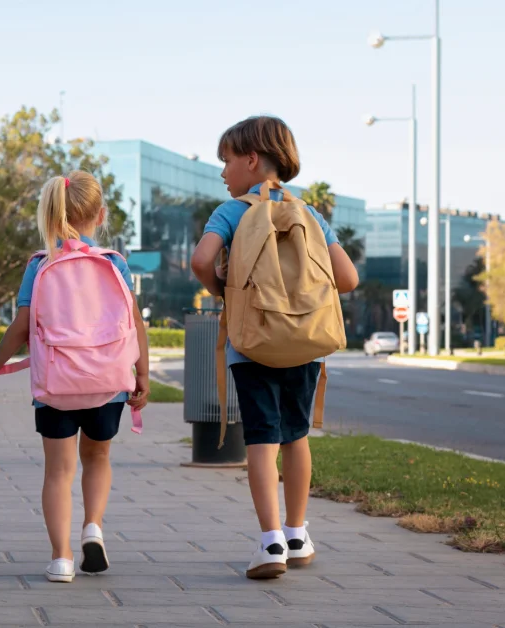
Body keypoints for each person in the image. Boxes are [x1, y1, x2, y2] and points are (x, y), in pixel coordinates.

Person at [190, 117, 359, 579]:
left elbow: (202, 260)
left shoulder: (231, 212)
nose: (222, 172)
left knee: (261, 441)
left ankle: (270, 545)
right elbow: (348, 278)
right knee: (296, 436)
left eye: (225, 161)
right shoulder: (311, 214)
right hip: (306, 344)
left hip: (253, 344)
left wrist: (224, 289)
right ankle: (299, 534)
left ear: (251, 159)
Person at [0, 171, 150, 583]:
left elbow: (21, 326)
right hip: (107, 383)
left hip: (56, 387)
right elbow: (134, 323)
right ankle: (93, 527)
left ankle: (61, 558)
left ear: (51, 216)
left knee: (58, 471)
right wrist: (140, 373)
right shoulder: (114, 263)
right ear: (100, 215)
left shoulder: (40, 265)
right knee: (98, 457)